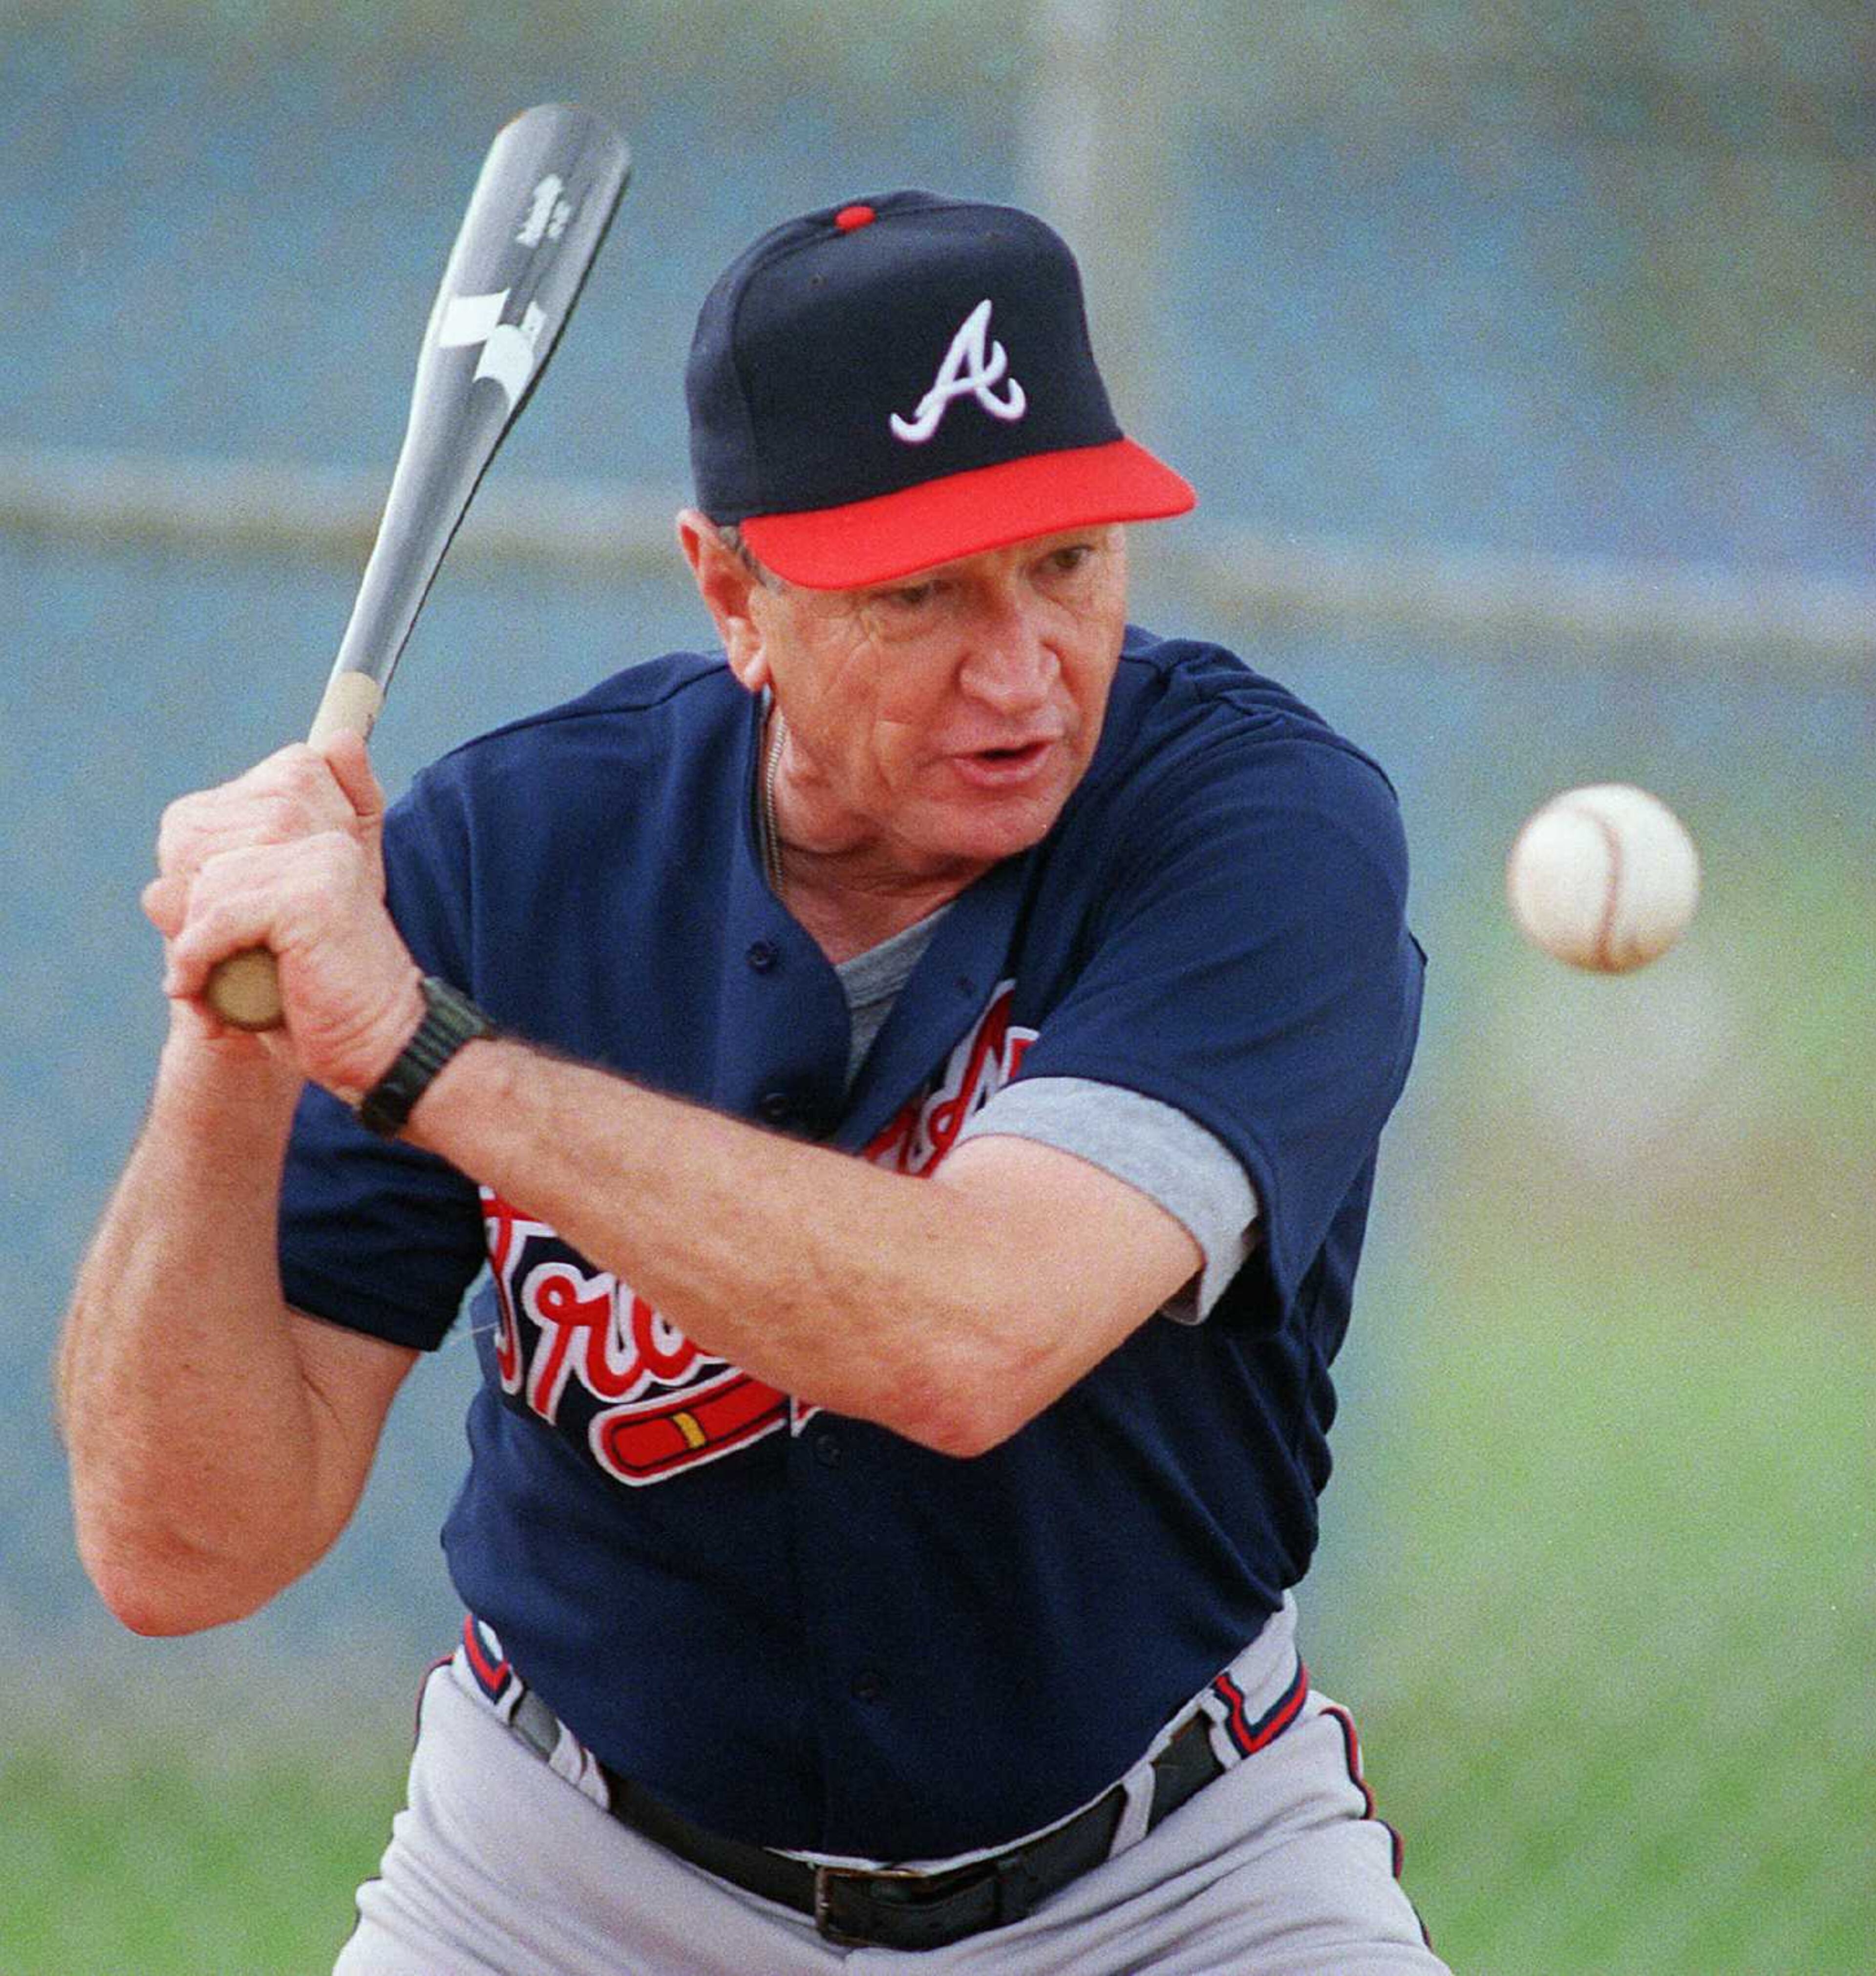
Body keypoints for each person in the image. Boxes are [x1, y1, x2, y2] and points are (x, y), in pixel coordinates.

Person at [58, 190, 1439, 1973]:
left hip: (1168, 1876)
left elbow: (963, 1338)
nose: (1020, 672)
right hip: (564, 1881)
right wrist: (229, 1051)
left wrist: (422, 1057)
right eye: (924, 590)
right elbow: (181, 1556)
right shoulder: (513, 853)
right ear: (735, 594)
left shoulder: (1252, 831)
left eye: (1070, 562)